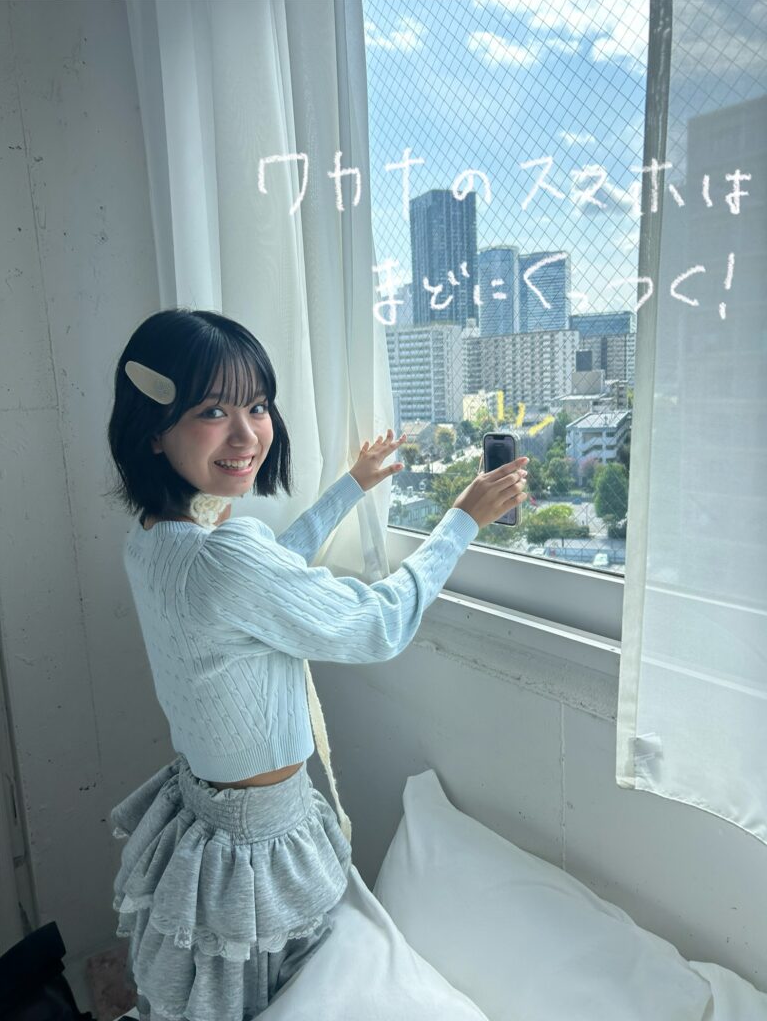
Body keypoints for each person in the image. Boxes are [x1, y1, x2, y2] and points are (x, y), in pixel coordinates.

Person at [106, 307, 528, 1020]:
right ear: (154, 428)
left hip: (207, 818)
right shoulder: (223, 557)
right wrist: (463, 519)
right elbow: (378, 625)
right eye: (212, 411)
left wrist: (352, 486)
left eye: (257, 406)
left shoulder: (154, 539)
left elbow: (265, 575)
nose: (247, 434)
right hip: (259, 844)